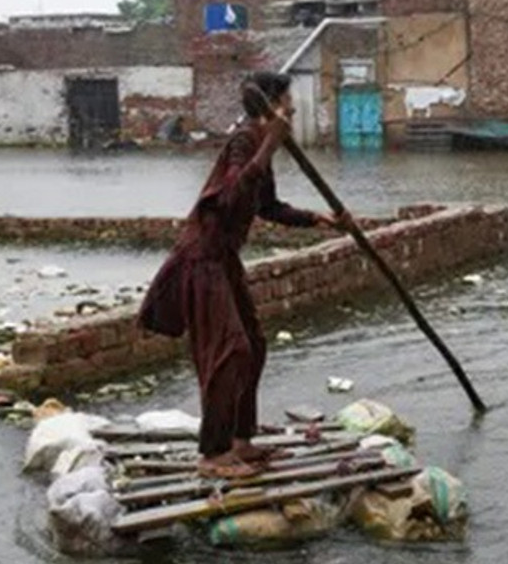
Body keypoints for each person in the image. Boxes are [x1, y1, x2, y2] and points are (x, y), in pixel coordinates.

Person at [138, 72, 353, 478]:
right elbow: (232, 195)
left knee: (253, 344)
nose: (292, 107)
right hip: (202, 259)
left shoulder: (258, 146)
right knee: (229, 350)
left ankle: (241, 439)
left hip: (224, 259)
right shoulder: (245, 142)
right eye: (288, 100)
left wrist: (317, 220)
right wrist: (269, 143)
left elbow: (265, 206)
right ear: (272, 104)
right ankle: (213, 454)